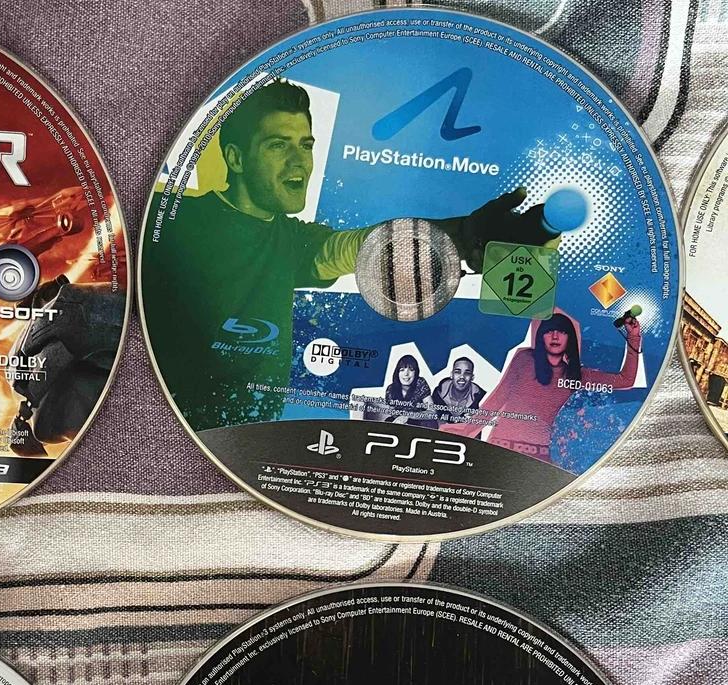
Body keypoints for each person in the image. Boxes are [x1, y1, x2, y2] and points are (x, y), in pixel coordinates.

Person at [142, 79, 558, 432]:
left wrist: (459, 237)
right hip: (155, 416)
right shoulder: (171, 220)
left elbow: (353, 247)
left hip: (243, 439)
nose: (299, 161)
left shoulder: (290, 238)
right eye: (278, 145)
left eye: (306, 145)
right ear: (235, 158)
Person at [445, 310, 641, 463]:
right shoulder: (524, 359)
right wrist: (467, 431)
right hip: (502, 447)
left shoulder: (576, 375)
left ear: (570, 339)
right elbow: (497, 399)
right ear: (541, 336)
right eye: (549, 331)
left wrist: (634, 337)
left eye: (562, 331)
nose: (555, 336)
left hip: (540, 456)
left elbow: (625, 380)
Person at [427, 356, 486, 426]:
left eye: (467, 373)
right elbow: (430, 418)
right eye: (457, 372)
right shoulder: (438, 393)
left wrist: (476, 420)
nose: (462, 377)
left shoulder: (482, 398)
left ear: (472, 377)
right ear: (451, 375)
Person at [380, 355, 432, 424]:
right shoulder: (391, 389)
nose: (406, 374)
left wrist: (407, 416)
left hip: (419, 421)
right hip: (400, 422)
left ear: (416, 373)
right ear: (397, 373)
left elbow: (432, 412)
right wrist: (401, 421)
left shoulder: (420, 383)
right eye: (402, 370)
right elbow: (393, 412)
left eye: (411, 370)